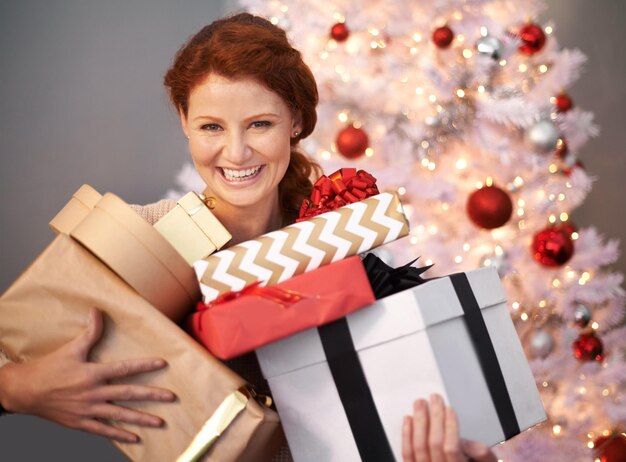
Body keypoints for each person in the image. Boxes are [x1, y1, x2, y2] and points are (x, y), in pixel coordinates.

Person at [0, 13, 497, 462]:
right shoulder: (136, 236)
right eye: (211, 126)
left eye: (260, 123)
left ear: (296, 122)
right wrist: (17, 388)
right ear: (183, 122)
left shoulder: (335, 238)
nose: (235, 153)